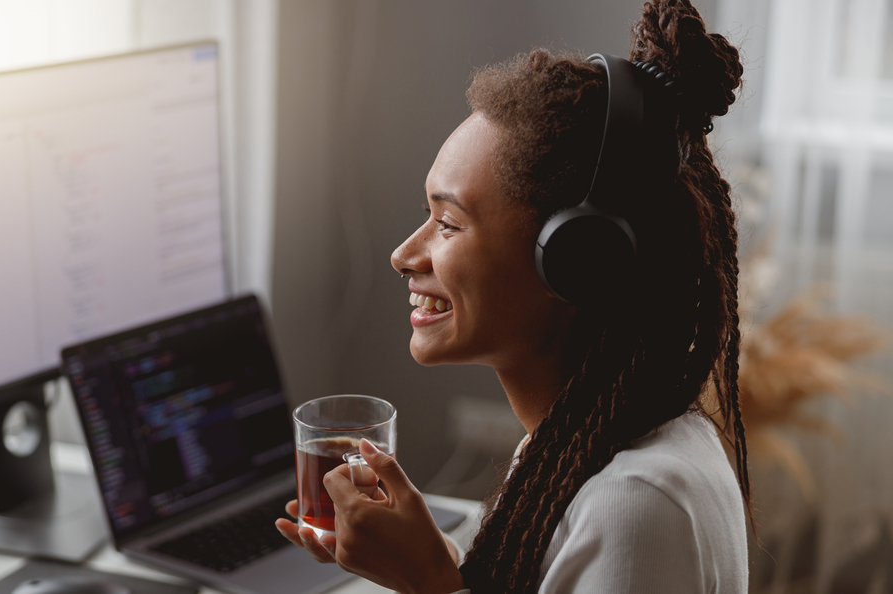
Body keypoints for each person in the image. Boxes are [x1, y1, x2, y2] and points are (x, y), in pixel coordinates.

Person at [274, 1, 751, 592]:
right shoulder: (571, 442)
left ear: (579, 259)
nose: (403, 255)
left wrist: (428, 580)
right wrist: (432, 560)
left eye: (448, 224)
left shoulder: (633, 504)